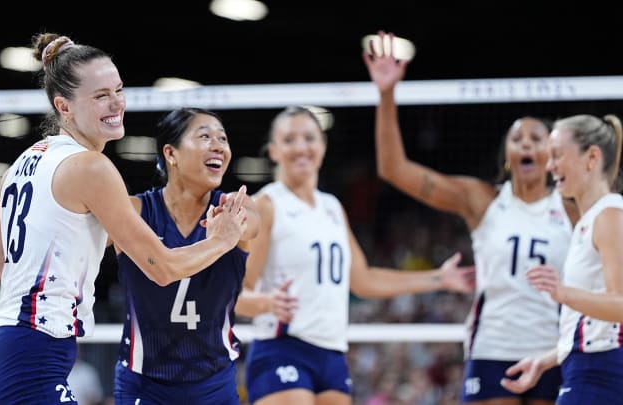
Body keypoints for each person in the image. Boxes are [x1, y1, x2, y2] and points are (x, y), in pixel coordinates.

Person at [0, 33, 247, 404]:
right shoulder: (92, 167)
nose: (116, 103)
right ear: (63, 106)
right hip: (31, 358)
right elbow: (162, 269)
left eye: (118, 89)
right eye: (100, 96)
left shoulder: (21, 165)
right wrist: (222, 240)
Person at [363, 31, 578, 405]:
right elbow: (394, 169)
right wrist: (386, 95)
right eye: (517, 138)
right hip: (493, 348)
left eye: (536, 137)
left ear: (553, 152)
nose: (526, 143)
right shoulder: (482, 200)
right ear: (508, 154)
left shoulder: (573, 205)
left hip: (553, 349)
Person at [239, 105, 476, 405]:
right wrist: (265, 302)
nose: (301, 147)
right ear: (273, 151)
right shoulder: (266, 205)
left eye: (309, 138)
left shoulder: (332, 208)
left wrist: (439, 278)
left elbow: (363, 280)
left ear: (323, 146)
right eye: (289, 140)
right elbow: (236, 291)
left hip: (332, 353)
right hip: (282, 346)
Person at [112, 107, 259, 404]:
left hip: (214, 384)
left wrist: (233, 228)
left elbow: (252, 224)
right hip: (143, 384)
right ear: (171, 153)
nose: (219, 145)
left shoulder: (234, 208)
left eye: (223, 138)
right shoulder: (135, 212)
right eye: (205, 136)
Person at [500, 114, 623, 404]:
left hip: (601, 372)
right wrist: (545, 360)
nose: (549, 165)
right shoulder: (589, 220)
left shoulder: (609, 215)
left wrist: (563, 293)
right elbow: (595, 323)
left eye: (557, 156)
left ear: (592, 157)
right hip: (584, 367)